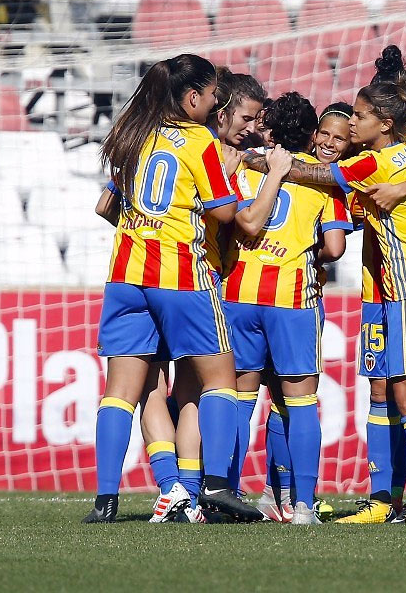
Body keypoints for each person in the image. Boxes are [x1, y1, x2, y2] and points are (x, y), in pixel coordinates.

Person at [244, 82, 406, 525]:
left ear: (382, 122)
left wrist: (261, 159)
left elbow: (322, 183)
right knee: (385, 392)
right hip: (383, 292)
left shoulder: (368, 163)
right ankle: (385, 499)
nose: (348, 126)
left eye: (356, 120)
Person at [84, 54, 263, 524]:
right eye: (210, 97)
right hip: (181, 275)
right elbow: (226, 213)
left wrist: (144, 224)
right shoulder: (199, 140)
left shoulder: (132, 133)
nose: (213, 105)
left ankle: (106, 501)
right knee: (220, 379)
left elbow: (106, 207)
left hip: (125, 275)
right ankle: (220, 487)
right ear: (191, 98)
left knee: (121, 392)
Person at [223, 92, 352, 524]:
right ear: (311, 134)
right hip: (292, 300)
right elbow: (334, 247)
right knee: (298, 402)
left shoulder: (244, 167)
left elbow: (229, 225)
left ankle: (227, 492)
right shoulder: (324, 181)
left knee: (239, 399)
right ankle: (302, 505)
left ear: (270, 128)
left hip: (240, 294)